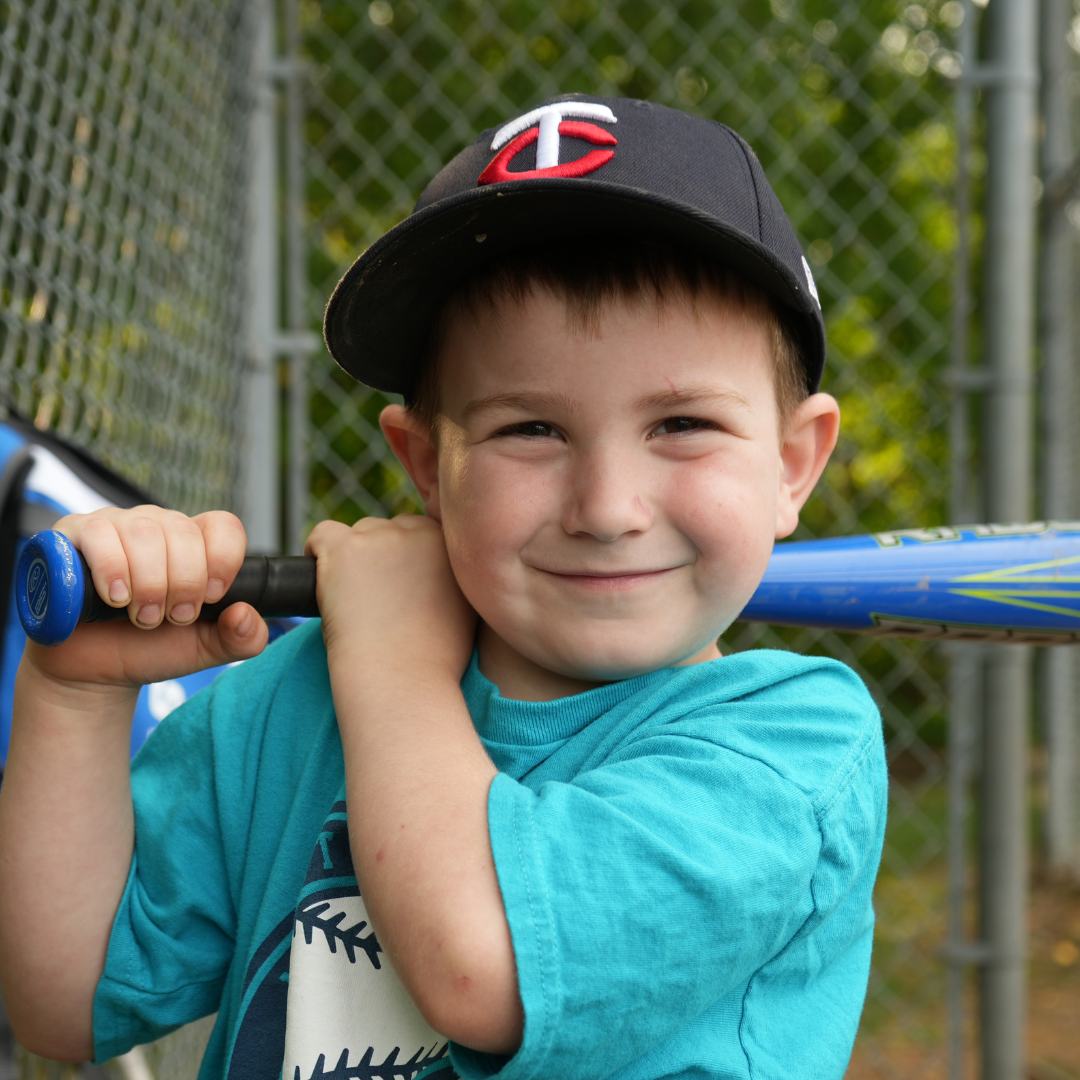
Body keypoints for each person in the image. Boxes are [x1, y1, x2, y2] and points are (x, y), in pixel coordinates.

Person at [0, 95, 887, 1080]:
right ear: (426, 466)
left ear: (794, 464)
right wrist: (75, 694)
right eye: (530, 430)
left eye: (682, 425)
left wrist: (391, 658)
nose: (607, 506)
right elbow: (64, 1001)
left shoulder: (790, 753)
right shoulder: (297, 701)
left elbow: (482, 974)